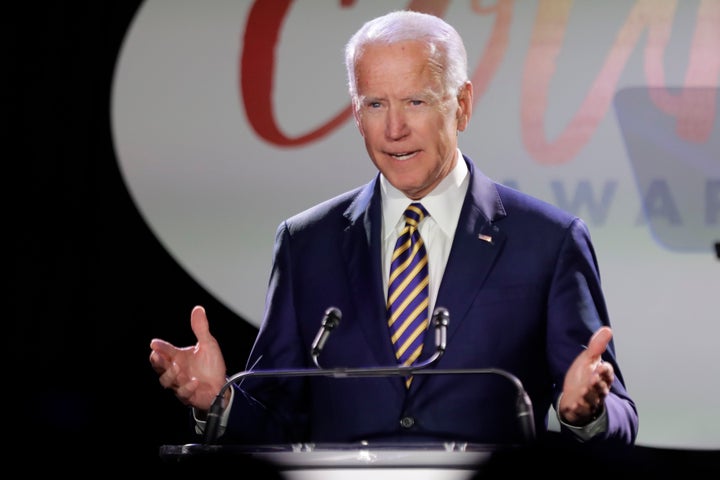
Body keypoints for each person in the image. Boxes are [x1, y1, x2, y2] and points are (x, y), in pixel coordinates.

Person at [149, 10, 638, 447]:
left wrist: (587, 413)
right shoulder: (306, 244)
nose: (394, 130)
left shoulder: (547, 242)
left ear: (462, 104)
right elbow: (279, 417)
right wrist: (219, 401)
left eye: (416, 102)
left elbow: (618, 413)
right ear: (356, 114)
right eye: (375, 105)